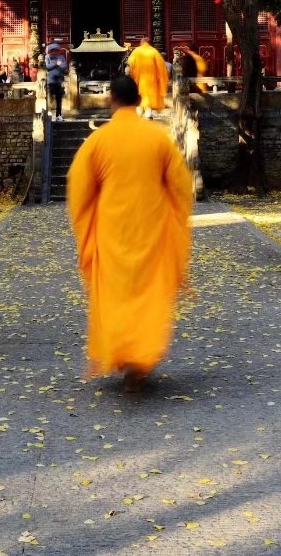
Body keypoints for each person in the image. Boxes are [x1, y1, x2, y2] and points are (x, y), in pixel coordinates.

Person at [66, 74, 194, 393]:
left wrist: (88, 224)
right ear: (138, 100)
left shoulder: (97, 141)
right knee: (147, 294)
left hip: (112, 232)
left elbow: (79, 191)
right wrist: (172, 219)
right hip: (150, 229)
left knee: (117, 295)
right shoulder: (157, 138)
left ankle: (123, 352)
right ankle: (140, 357)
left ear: (111, 100)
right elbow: (180, 187)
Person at [126, 37, 170, 115]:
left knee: (139, 98)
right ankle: (148, 113)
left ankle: (139, 113)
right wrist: (160, 79)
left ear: (141, 42)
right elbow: (162, 68)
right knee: (149, 98)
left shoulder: (136, 51)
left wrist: (131, 76)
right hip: (151, 80)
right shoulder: (154, 51)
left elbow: (130, 65)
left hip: (138, 80)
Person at [44, 39, 70, 118]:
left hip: (59, 81)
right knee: (50, 98)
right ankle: (49, 112)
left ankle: (59, 114)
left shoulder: (61, 57)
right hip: (50, 81)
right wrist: (55, 64)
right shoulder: (47, 57)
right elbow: (47, 67)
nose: (55, 52)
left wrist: (59, 65)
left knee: (59, 98)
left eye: (56, 50)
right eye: (54, 50)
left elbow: (64, 66)